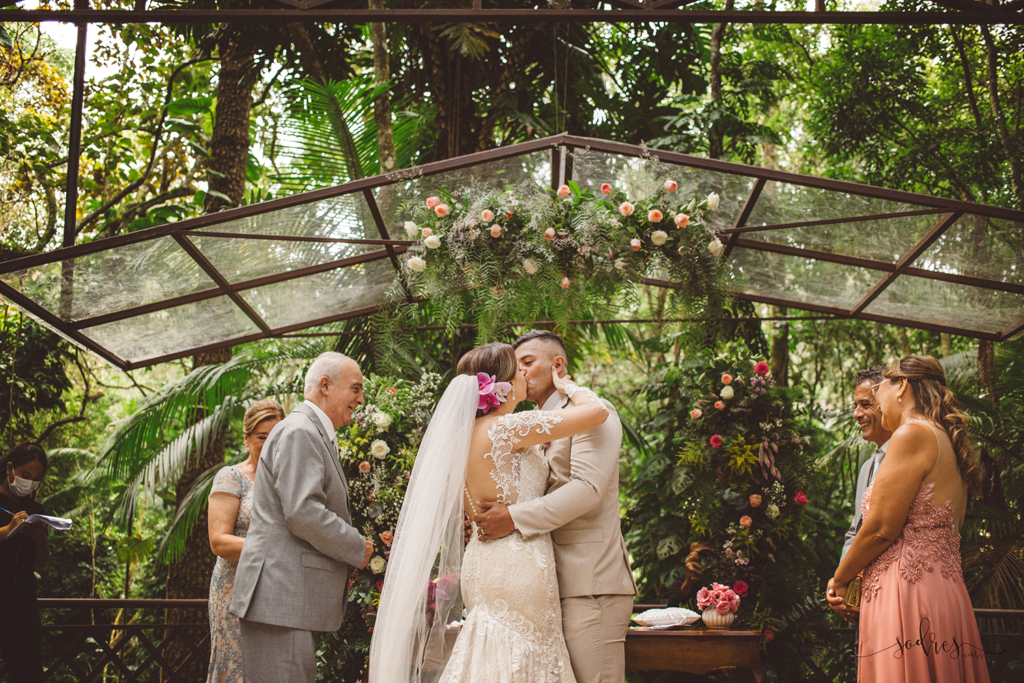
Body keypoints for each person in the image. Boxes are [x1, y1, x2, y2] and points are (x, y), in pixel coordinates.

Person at [369, 342, 610, 683]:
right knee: (527, 653)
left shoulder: (457, 439)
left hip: (481, 561)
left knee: (488, 650)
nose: (526, 374)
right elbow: (597, 412)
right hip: (520, 559)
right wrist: (567, 384)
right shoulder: (507, 428)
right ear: (504, 386)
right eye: (519, 368)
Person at [472, 330, 637, 683]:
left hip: (589, 582)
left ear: (558, 365)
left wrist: (513, 518)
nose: (522, 373)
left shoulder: (594, 412)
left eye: (529, 363)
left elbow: (587, 489)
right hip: (537, 583)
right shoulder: (523, 426)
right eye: (517, 367)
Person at [827, 356, 992, 682]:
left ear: (901, 386)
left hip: (906, 596)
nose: (878, 397)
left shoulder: (910, 435)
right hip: (943, 593)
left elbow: (880, 529)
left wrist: (840, 579)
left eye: (880, 387)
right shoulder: (944, 438)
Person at [230, 353, 374, 683]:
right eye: (355, 388)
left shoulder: (309, 431)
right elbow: (303, 511)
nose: (361, 398)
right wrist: (356, 546)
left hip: (283, 601)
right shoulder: (300, 431)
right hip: (280, 598)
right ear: (325, 385)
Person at [206, 399, 285, 683]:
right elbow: (219, 542)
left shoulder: (289, 480)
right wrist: (275, 550)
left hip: (277, 592)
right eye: (262, 437)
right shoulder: (231, 477)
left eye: (276, 436)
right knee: (237, 669)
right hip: (234, 590)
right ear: (246, 438)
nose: (269, 443)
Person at [833, 367, 894, 624]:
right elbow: (854, 532)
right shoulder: (867, 467)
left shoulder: (909, 460)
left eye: (865, 404)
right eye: (855, 406)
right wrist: (841, 585)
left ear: (886, 404)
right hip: (861, 599)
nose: (857, 414)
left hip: (895, 593)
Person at [0, 442, 50, 683]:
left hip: (22, 604)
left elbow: (40, 560)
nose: (29, 484)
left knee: (28, 673)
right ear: (10, 469)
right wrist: (8, 529)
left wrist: (39, 537)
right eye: (25, 476)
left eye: (35, 480)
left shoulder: (34, 509)